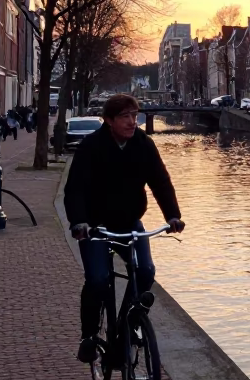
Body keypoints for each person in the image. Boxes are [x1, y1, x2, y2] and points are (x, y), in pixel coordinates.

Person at [64, 93, 185, 364]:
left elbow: (160, 181)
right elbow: (75, 189)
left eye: (135, 115)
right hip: (96, 226)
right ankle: (89, 336)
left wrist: (173, 215)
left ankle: (126, 326)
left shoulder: (144, 144)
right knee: (97, 279)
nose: (133, 122)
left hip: (129, 222)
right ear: (108, 120)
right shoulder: (91, 147)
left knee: (145, 271)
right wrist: (79, 222)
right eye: (125, 117)